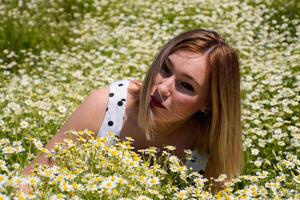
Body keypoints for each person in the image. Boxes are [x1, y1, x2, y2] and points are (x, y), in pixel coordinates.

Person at [21, 29, 244, 193]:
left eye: (186, 85)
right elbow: (32, 179)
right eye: (165, 69)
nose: (163, 88)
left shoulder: (209, 147)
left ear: (208, 104)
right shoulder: (106, 106)